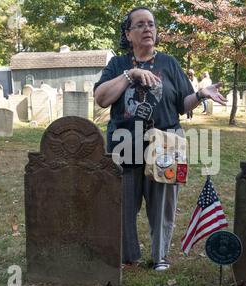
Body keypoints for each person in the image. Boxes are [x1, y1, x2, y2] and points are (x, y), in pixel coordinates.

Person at [94, 7, 226, 271]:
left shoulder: (169, 63)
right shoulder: (118, 65)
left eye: (151, 24)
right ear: (128, 33)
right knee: (124, 202)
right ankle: (129, 256)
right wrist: (129, 75)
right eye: (140, 25)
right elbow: (101, 98)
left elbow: (182, 104)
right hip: (125, 143)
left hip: (167, 144)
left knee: (163, 203)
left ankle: (160, 256)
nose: (148, 29)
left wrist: (200, 94)